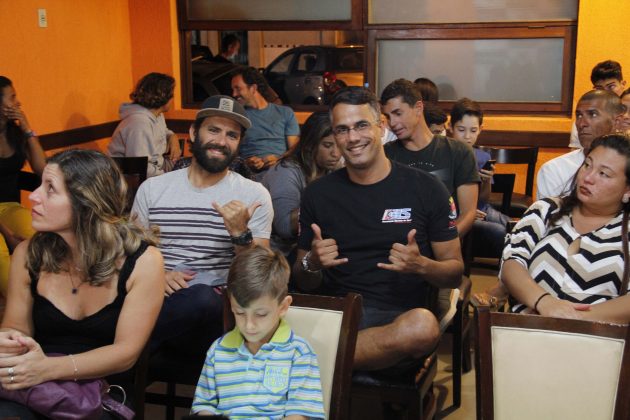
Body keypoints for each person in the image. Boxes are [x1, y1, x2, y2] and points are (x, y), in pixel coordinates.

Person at [294, 87, 463, 376]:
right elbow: (301, 277)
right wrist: (313, 262)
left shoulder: (426, 189)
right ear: (334, 136)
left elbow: (454, 272)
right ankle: (328, 359)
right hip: (335, 315)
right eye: (342, 130)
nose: (353, 138)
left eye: (361, 125)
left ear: (381, 128)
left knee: (423, 327)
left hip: (396, 321)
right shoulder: (317, 194)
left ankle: (314, 364)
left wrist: (421, 265)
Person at [0, 149, 164, 417]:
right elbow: (17, 327)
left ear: (86, 203)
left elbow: (126, 353)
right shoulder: (28, 253)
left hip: (103, 394)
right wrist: (9, 341)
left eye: (50, 188)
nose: (33, 196)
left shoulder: (144, 262)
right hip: (35, 388)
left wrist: (47, 368)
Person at [132, 95, 273, 358]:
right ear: (194, 132)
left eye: (232, 135)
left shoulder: (253, 195)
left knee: (202, 299)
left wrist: (240, 234)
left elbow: (260, 275)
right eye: (214, 130)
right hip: (156, 299)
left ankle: (121, 352)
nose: (221, 141)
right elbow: (132, 253)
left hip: (214, 313)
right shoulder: (153, 189)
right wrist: (156, 277)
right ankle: (127, 353)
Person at [502, 134, 630, 324]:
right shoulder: (546, 210)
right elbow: (512, 263)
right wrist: (544, 302)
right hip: (528, 331)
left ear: (627, 190)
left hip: (598, 342)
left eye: (604, 174)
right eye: (587, 165)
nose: (588, 177)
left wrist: (573, 318)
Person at [192, 246, 325, 419]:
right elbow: (204, 406)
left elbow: (300, 414)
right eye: (239, 312)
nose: (249, 325)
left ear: (283, 307)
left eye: (260, 314)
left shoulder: (298, 353)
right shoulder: (218, 351)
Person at [381, 79, 479, 237]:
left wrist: (443, 244)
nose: (393, 123)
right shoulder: (385, 155)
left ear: (418, 108)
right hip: (397, 248)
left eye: (398, 113)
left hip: (443, 250)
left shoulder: (459, 152)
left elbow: (468, 213)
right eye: (388, 116)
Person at [262, 112, 340, 260]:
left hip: (313, 247)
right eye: (327, 145)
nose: (336, 153)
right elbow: (284, 226)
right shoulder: (286, 171)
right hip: (279, 256)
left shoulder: (332, 168)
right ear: (310, 145)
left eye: (338, 144)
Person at [0, 76, 46, 296]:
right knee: (1, 254)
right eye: (12, 97)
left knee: (37, 235)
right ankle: (16, 308)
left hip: (9, 207)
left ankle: (44, 300)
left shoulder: (14, 133)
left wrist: (27, 128)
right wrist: (7, 234)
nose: (18, 103)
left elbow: (42, 169)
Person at [537, 90, 624, 200]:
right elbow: (548, 216)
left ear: (616, 122)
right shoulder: (555, 169)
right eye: (579, 115)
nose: (582, 123)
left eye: (593, 114)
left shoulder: (626, 167)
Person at [450, 98, 510, 257]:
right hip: (459, 214)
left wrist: (486, 181)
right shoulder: (445, 155)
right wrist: (468, 212)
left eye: (473, 130)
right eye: (461, 130)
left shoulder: (482, 156)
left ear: (481, 129)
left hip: (483, 208)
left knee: (516, 226)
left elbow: (485, 198)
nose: (467, 136)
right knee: (501, 232)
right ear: (451, 127)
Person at [108, 72, 181, 177]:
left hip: (157, 168)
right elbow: (141, 168)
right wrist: (167, 180)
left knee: (194, 167)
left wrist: (173, 138)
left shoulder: (157, 115)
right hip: (132, 182)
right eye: (172, 95)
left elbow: (164, 132)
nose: (173, 99)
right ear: (163, 97)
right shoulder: (139, 124)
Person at [231, 67, 300, 176]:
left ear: (253, 88)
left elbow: (294, 148)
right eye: (233, 89)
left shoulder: (285, 113)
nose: (234, 94)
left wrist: (278, 159)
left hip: (281, 170)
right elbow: (231, 154)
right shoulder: (237, 117)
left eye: (238, 88)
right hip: (249, 175)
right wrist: (246, 164)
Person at [568, 60, 626, 148]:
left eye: (611, 87)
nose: (605, 92)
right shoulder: (583, 121)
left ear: (622, 84)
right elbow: (576, 155)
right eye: (599, 88)